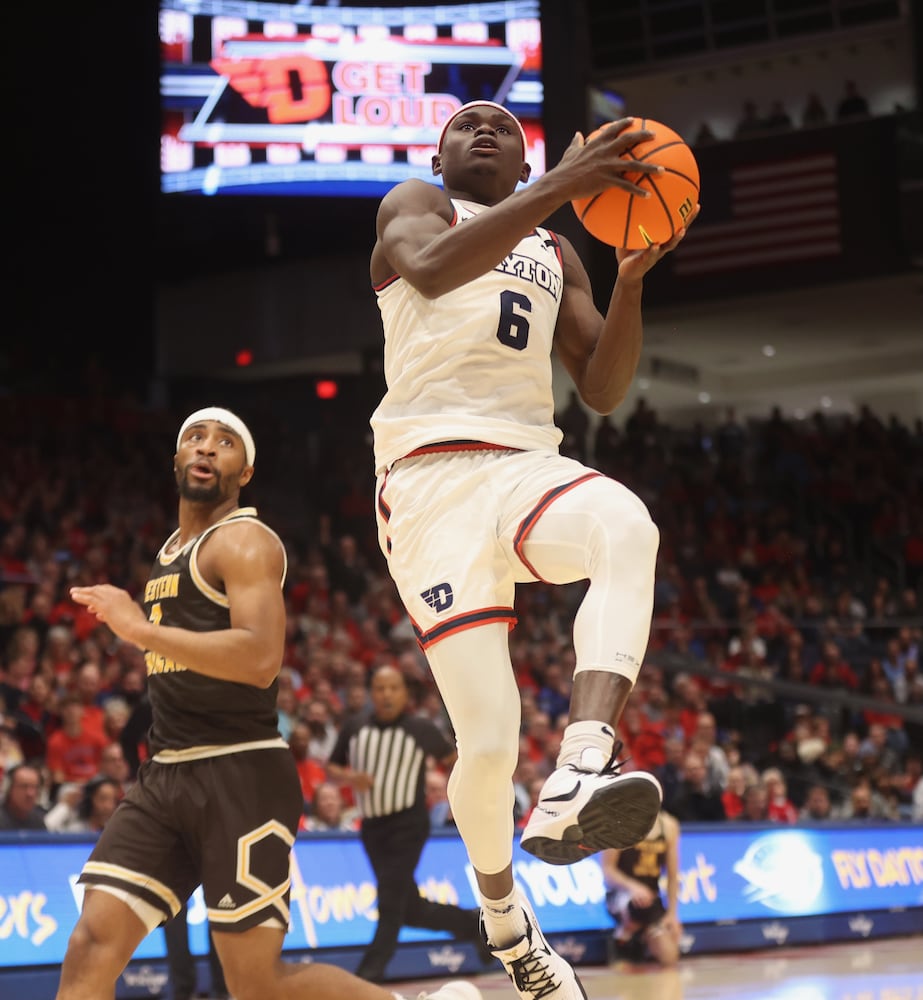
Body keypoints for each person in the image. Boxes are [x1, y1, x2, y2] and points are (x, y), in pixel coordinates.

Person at [368, 100, 696, 1000]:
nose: (484, 131)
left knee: (626, 523)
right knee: (487, 740)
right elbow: (430, 273)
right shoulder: (414, 207)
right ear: (436, 154)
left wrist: (628, 278)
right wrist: (564, 185)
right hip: (427, 483)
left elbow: (600, 388)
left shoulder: (558, 251)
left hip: (521, 463)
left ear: (524, 160)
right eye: (466, 124)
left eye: (504, 127)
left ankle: (585, 760)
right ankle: (510, 928)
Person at [55, 406, 481, 1000]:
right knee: (90, 945)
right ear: (176, 459)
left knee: (256, 985)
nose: (206, 449)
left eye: (224, 443)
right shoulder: (171, 550)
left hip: (241, 773)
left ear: (245, 471)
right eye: (194, 439)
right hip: (165, 776)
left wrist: (141, 630)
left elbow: (259, 658)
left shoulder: (246, 541)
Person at [327, 665, 490, 983]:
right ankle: (473, 925)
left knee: (389, 901)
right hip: (372, 828)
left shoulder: (420, 728)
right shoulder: (355, 727)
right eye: (380, 688)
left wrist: (461, 800)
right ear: (372, 692)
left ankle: (367, 976)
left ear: (404, 693)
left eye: (393, 688)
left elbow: (453, 762)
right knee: (409, 908)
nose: (386, 695)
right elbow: (332, 765)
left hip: (408, 824)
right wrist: (350, 777)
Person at [601, 809, 682, 966]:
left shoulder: (668, 825)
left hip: (651, 899)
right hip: (620, 893)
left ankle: (639, 935)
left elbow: (673, 876)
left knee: (669, 957)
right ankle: (624, 935)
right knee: (637, 902)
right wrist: (633, 887)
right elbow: (608, 870)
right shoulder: (618, 822)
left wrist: (672, 914)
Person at [0, 761, 48, 830]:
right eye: (24, 786)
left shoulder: (37, 821)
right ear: (9, 789)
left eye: (35, 787)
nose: (30, 793)